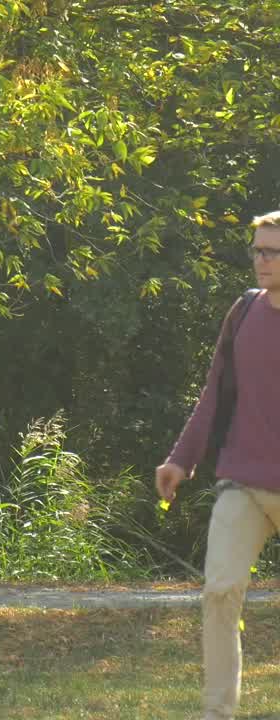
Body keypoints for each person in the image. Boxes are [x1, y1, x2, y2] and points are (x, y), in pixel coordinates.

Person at [156, 209, 280, 720]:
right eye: (257, 250)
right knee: (219, 591)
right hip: (242, 484)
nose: (261, 260)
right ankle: (216, 712)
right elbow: (214, 394)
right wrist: (180, 459)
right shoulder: (244, 313)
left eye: (272, 251)